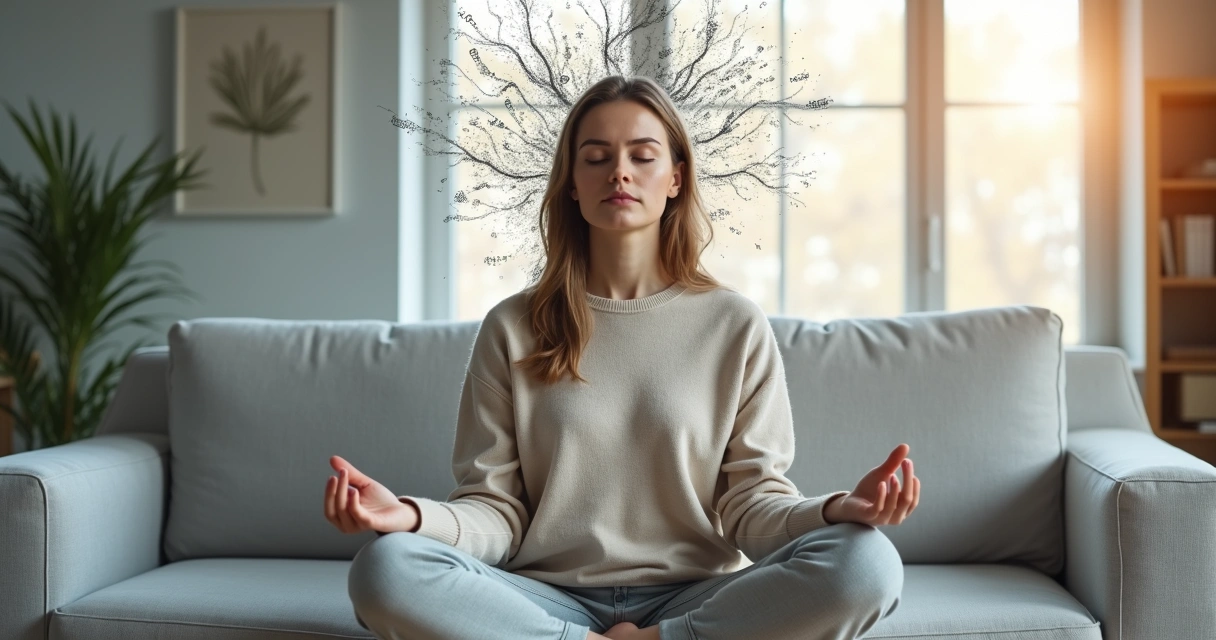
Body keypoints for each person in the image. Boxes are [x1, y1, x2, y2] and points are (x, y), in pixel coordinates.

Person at [324, 75, 919, 640]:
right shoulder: (513, 326)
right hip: (545, 596)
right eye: (597, 156)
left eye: (642, 155)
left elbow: (751, 505)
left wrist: (840, 509)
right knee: (387, 566)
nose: (620, 173)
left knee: (865, 561)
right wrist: (408, 517)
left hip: (695, 596)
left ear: (676, 177)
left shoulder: (733, 324)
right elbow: (494, 510)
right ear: (572, 183)